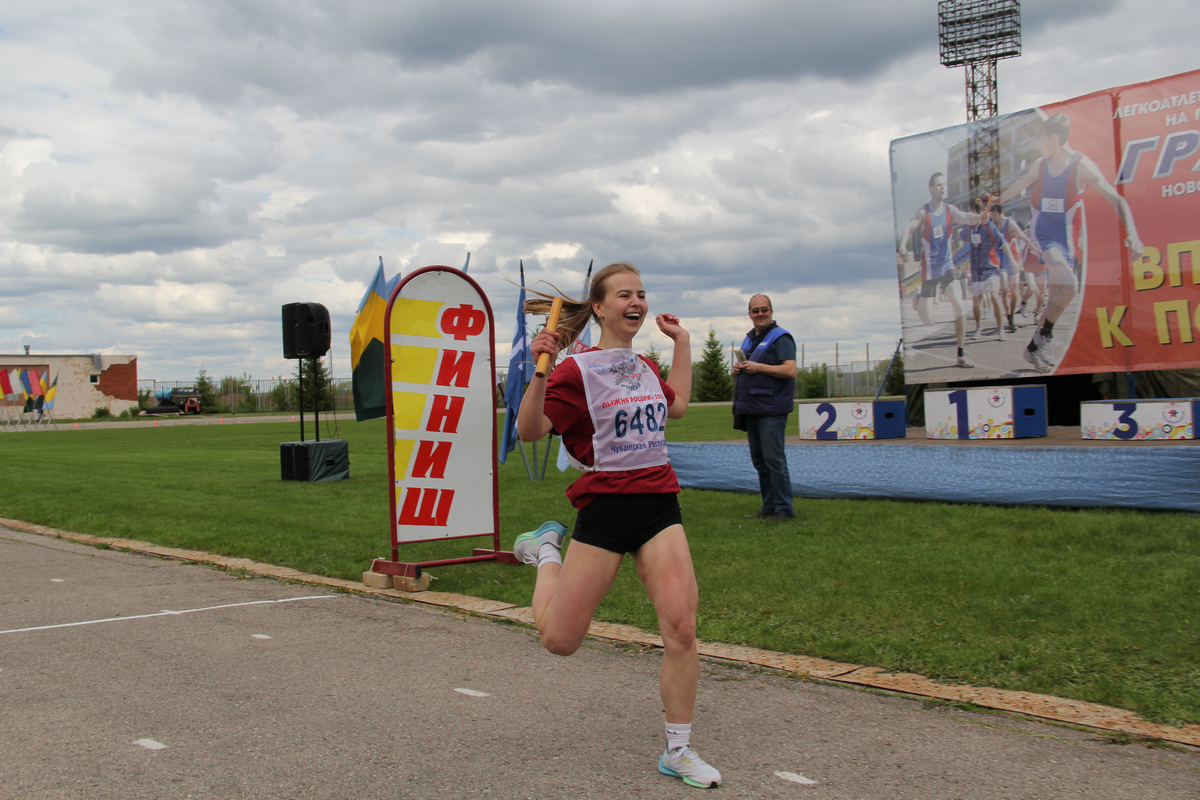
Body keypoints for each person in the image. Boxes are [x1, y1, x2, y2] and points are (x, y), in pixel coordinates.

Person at [514, 261, 721, 789]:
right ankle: (547, 553)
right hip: (605, 509)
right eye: (625, 294)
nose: (637, 302)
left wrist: (681, 342)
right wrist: (543, 367)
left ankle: (679, 749)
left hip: (657, 505)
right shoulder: (574, 371)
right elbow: (532, 430)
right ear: (600, 307)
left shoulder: (647, 366)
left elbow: (678, 409)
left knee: (683, 627)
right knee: (560, 640)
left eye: (642, 294)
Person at [999, 113, 1143, 372]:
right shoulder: (1039, 165)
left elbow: (1116, 198)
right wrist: (996, 199)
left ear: (1054, 138)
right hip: (1044, 237)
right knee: (1072, 286)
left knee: (1055, 303)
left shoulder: (1081, 165)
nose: (1039, 144)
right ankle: (1047, 338)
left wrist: (1132, 232)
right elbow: (1020, 184)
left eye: (1042, 139)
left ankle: (1034, 348)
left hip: (1069, 243)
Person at [898, 172, 984, 368]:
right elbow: (908, 230)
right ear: (931, 189)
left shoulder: (949, 210)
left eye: (944, 184)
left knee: (959, 307)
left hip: (947, 267)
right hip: (929, 272)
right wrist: (903, 244)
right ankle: (918, 299)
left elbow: (966, 217)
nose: (942, 188)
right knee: (927, 320)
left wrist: (979, 217)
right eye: (938, 185)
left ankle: (960, 354)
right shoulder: (924, 212)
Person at [731, 294, 797, 522]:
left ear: (771, 311)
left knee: (774, 459)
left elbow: (790, 370)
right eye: (755, 310)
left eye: (764, 309)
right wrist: (737, 370)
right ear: (749, 314)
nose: (760, 314)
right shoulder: (749, 339)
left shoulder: (781, 337)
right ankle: (768, 506)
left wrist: (758, 367)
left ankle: (784, 509)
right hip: (751, 408)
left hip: (771, 409)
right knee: (760, 461)